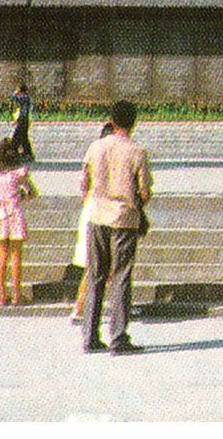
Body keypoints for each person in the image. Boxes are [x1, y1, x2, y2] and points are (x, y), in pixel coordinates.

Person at [80, 100, 152, 355]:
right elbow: (144, 191)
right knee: (121, 276)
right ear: (134, 123)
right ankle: (118, 337)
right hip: (124, 218)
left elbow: (84, 184)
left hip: (97, 215)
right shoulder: (137, 152)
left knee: (95, 275)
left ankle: (90, 335)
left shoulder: (95, 147)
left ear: (111, 121)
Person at [69, 122, 116, 324]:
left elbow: (84, 188)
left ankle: (86, 306)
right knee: (98, 264)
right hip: (103, 211)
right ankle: (81, 307)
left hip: (90, 209)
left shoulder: (91, 158)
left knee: (96, 264)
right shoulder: (110, 160)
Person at [0, 137, 37, 306]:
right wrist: (21, 196)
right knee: (16, 256)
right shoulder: (19, 173)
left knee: (2, 256)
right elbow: (32, 192)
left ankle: (2, 295)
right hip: (14, 212)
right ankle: (16, 295)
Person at [8, 84, 34, 162]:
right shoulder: (25, 98)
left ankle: (13, 152)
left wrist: (14, 95)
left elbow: (16, 100)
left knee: (16, 137)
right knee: (24, 138)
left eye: (19, 91)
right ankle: (28, 154)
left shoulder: (25, 98)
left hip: (23, 120)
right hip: (24, 120)